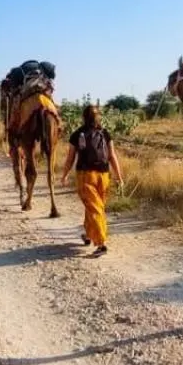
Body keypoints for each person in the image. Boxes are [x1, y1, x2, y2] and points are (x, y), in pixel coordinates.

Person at [59, 104, 123, 257]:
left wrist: (65, 174)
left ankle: (101, 243)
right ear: (98, 117)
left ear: (83, 117)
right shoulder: (105, 133)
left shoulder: (77, 134)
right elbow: (112, 156)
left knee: (95, 208)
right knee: (95, 206)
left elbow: (70, 158)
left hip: (85, 175)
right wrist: (119, 177)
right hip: (104, 176)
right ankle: (88, 235)